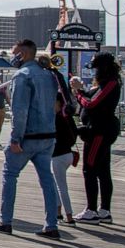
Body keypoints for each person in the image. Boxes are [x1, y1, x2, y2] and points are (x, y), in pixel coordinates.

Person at [0, 39, 61, 239]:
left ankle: (6, 220)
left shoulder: (22, 76)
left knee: (9, 175)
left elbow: (20, 112)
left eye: (14, 53)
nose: (12, 57)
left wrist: (15, 139)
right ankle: (51, 224)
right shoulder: (49, 75)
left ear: (24, 54)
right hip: (48, 136)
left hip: (28, 136)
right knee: (47, 179)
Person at [71, 52, 121, 225]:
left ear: (102, 68)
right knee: (102, 171)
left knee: (90, 169)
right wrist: (81, 91)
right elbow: (91, 98)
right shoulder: (106, 83)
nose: (93, 72)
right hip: (98, 131)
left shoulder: (111, 83)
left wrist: (78, 93)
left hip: (99, 132)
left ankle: (91, 210)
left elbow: (92, 103)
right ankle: (104, 211)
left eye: (95, 68)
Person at [52, 92, 78, 224]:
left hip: (57, 156)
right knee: (56, 184)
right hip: (68, 154)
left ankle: (69, 216)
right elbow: (74, 135)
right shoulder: (67, 117)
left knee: (60, 186)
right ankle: (58, 212)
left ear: (58, 103)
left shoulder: (55, 118)